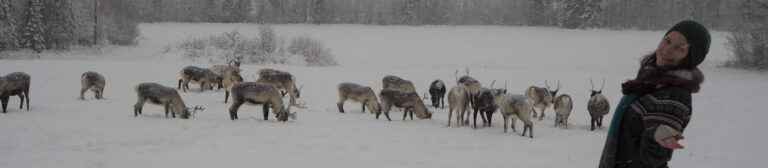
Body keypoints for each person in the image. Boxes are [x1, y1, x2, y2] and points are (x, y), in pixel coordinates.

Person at [599, 20, 710, 168]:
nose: (667, 50)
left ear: (690, 58)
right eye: (668, 41)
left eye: (679, 48)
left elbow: (656, 155)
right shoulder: (653, 82)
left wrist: (657, 135)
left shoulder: (675, 94)